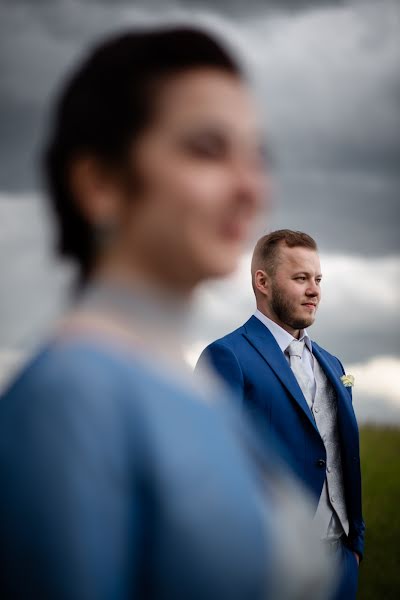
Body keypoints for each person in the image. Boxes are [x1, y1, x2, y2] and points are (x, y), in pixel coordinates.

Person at [0, 30, 333, 600]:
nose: (250, 187)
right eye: (207, 149)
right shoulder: (71, 397)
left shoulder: (184, 384)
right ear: (100, 182)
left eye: (257, 157)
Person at [196, 229, 365, 600]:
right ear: (263, 282)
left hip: (339, 562)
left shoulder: (333, 364)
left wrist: (354, 547)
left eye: (318, 279)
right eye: (301, 278)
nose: (315, 290)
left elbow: (342, 454)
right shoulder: (227, 357)